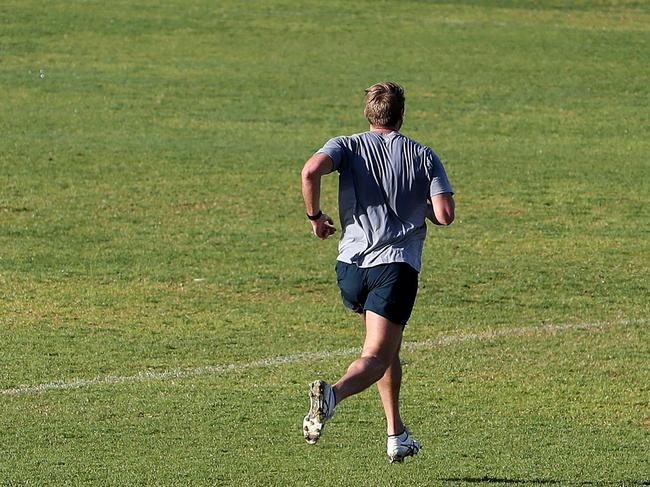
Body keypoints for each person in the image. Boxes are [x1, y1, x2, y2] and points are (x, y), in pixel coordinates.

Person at [300, 82, 455, 463]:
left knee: (387, 347)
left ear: (368, 113)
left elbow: (310, 171)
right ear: (401, 114)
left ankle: (395, 434)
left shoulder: (346, 145)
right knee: (376, 356)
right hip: (394, 266)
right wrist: (419, 202)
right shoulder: (422, 154)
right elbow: (445, 215)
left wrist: (315, 217)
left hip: (351, 268)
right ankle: (332, 394)